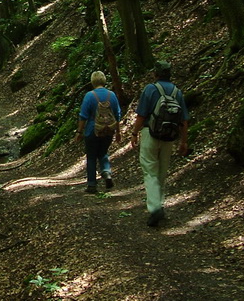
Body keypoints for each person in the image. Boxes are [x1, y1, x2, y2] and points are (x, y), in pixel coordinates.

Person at [130, 60, 189, 227]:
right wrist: (183, 141)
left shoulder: (150, 89)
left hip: (150, 133)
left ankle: (155, 208)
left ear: (155, 74)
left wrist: (134, 133)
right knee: (162, 171)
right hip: (169, 137)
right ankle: (159, 204)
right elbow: (184, 120)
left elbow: (141, 115)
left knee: (150, 170)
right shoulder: (177, 92)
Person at [75, 71, 122, 193]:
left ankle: (92, 185)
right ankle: (107, 173)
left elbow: (83, 116)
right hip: (108, 130)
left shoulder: (89, 96)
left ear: (92, 81)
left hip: (92, 131)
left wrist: (79, 132)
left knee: (91, 157)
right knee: (103, 153)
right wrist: (118, 132)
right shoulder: (111, 95)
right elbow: (117, 115)